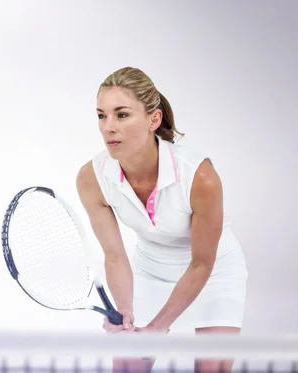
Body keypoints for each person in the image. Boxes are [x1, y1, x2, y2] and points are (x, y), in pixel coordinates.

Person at [75, 67, 248, 373]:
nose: (108, 127)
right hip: (150, 272)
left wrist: (157, 326)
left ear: (153, 119)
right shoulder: (92, 178)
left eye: (122, 115)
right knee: (129, 366)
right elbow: (114, 256)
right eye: (101, 116)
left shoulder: (199, 177)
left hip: (214, 273)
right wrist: (126, 312)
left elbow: (201, 264)